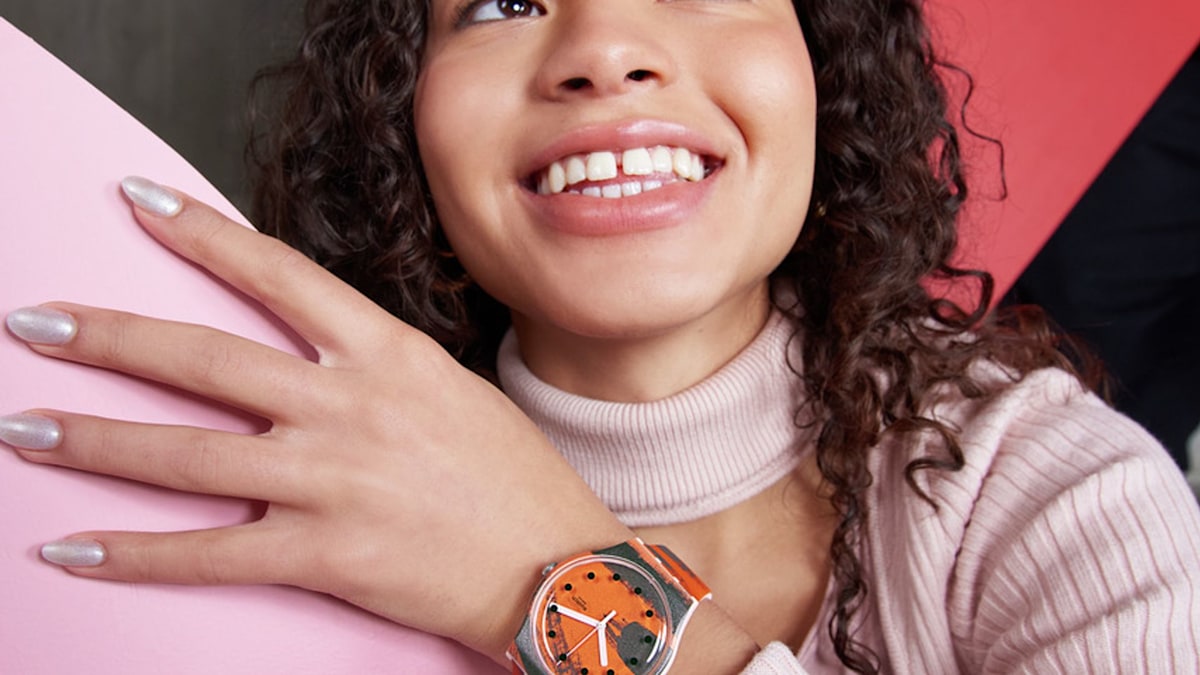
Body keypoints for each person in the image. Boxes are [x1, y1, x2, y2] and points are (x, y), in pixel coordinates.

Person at [2, 0, 1198, 673]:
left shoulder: (1061, 501)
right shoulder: (286, 500)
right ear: (400, 120)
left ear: (823, 68)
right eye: (504, 1)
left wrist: (548, 582)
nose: (604, 51)